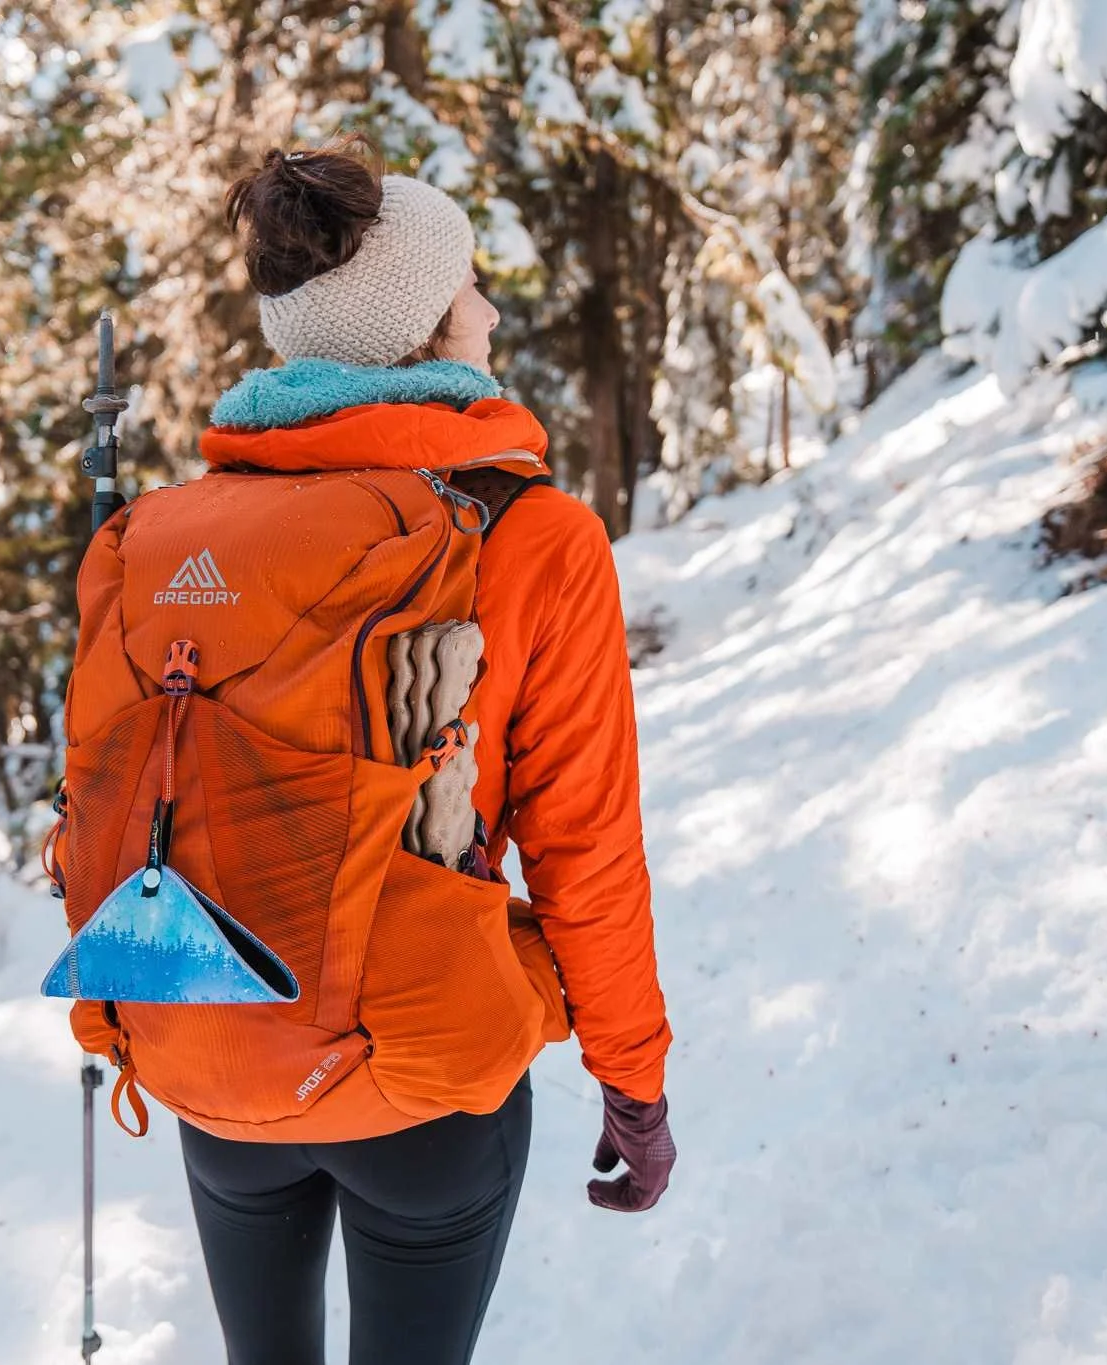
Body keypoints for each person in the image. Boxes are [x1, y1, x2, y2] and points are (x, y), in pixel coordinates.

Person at [170, 135, 675, 1365]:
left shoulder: (179, 533)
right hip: (421, 1078)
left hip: (220, 1057)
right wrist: (633, 1084)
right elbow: (583, 852)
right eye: (465, 289)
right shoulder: (530, 535)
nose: (488, 309)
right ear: (418, 333)